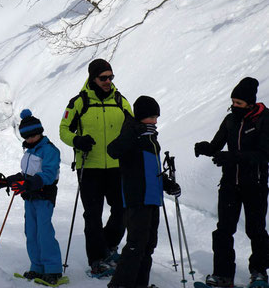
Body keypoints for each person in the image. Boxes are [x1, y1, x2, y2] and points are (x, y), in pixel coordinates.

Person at [59, 58, 132, 277]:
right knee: (93, 215)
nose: (108, 81)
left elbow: (132, 128)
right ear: (93, 78)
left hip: (117, 167)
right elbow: (63, 130)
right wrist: (77, 141)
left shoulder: (120, 100)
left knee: (122, 211)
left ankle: (108, 247)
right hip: (89, 167)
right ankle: (97, 259)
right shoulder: (79, 102)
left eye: (111, 77)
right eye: (103, 78)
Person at [194, 77, 269, 288]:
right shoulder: (230, 120)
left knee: (256, 230)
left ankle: (259, 273)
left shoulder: (264, 119)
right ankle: (223, 275)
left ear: (250, 103)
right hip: (229, 184)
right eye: (233, 102)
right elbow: (217, 145)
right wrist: (205, 148)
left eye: (239, 103)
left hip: (255, 184)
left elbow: (264, 154)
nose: (234, 106)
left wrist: (233, 157)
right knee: (223, 230)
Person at [106, 96, 181, 288]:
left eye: (156, 117)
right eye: (152, 117)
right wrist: (135, 134)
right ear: (141, 117)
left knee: (148, 245)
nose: (155, 121)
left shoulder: (150, 137)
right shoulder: (132, 131)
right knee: (136, 244)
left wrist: (167, 184)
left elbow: (152, 169)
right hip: (137, 198)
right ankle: (120, 284)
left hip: (152, 198)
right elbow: (113, 150)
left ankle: (140, 283)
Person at [0, 109, 64, 286]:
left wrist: (28, 184)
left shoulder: (49, 150)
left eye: (34, 135)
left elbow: (48, 174)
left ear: (40, 132)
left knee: (44, 233)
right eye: (27, 137)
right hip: (30, 198)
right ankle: (37, 267)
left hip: (44, 197)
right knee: (31, 233)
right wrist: (7, 182)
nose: (30, 139)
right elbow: (25, 174)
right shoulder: (30, 151)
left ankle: (53, 269)